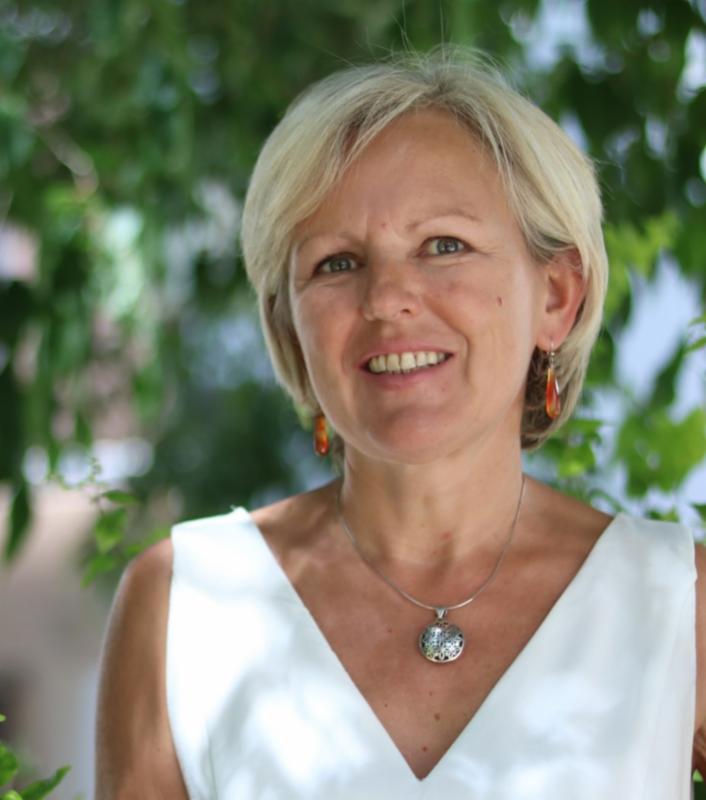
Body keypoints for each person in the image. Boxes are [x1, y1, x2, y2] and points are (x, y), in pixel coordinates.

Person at [95, 48, 705, 799]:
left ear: (556, 296)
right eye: (336, 263)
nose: (387, 299)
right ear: (289, 329)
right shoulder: (182, 606)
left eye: (443, 246)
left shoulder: (680, 605)